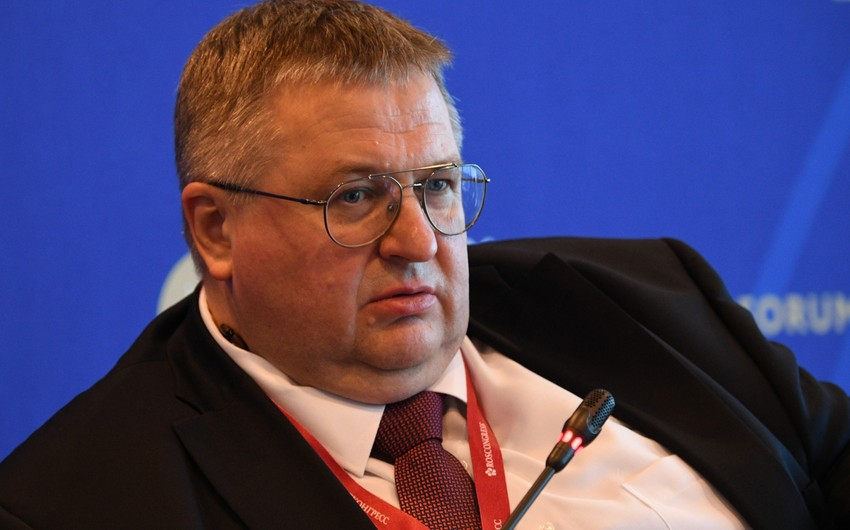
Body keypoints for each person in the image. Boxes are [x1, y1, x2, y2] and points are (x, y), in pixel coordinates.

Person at [1, 1, 848, 528]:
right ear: (216, 230)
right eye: (356, 197)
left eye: (438, 186)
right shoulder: (80, 501)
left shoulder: (643, 301)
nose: (419, 242)